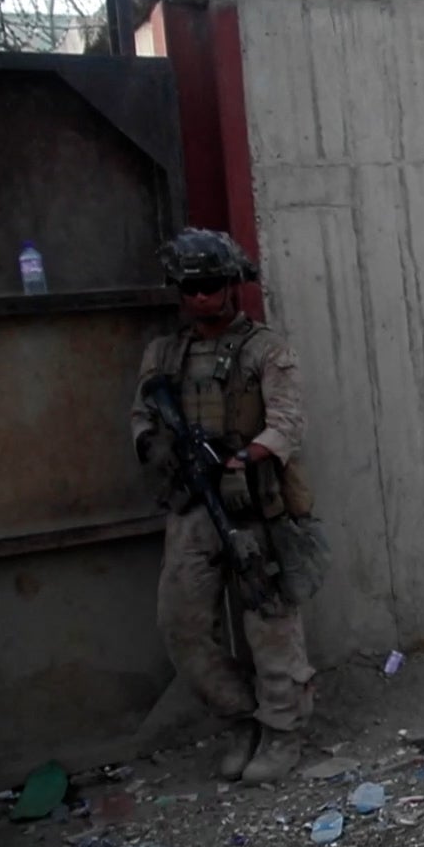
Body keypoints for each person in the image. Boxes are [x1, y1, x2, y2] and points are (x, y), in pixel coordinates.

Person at [130, 229, 321, 784]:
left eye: (210, 286)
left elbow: (288, 422)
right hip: (192, 507)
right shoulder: (163, 355)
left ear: (232, 286)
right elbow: (142, 417)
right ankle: (239, 718)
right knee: (181, 624)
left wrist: (241, 459)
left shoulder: (266, 350)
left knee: (269, 619)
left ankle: (283, 732)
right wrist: (155, 445)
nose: (199, 298)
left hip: (252, 504)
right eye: (189, 288)